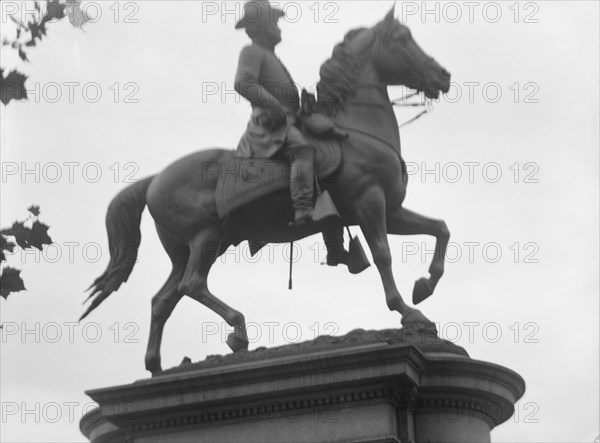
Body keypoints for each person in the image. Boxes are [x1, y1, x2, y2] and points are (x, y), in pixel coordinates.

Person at [234, 1, 349, 266]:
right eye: (273, 22)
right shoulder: (251, 52)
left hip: (287, 121)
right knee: (303, 150)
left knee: (324, 159)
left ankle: (335, 245)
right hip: (269, 124)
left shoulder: (271, 57)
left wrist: (302, 107)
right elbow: (243, 83)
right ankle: (302, 209)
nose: (278, 27)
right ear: (262, 27)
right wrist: (274, 105)